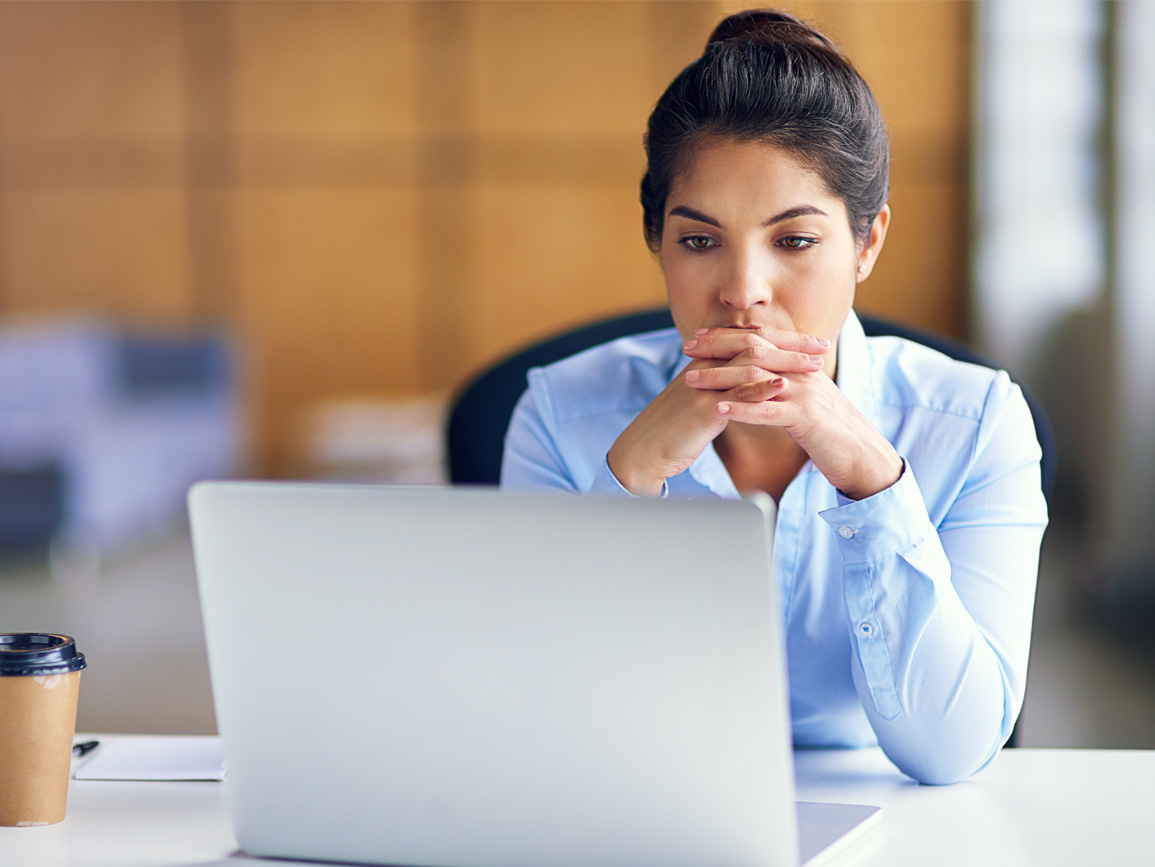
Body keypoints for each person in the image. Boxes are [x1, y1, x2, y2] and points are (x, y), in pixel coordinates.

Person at [500, 8, 1047, 785]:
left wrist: (869, 478)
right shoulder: (558, 416)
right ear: (656, 240)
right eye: (697, 240)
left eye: (793, 241)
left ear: (867, 243)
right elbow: (542, 725)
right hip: (640, 814)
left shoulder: (977, 424)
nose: (742, 293)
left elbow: (951, 751)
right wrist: (630, 476)